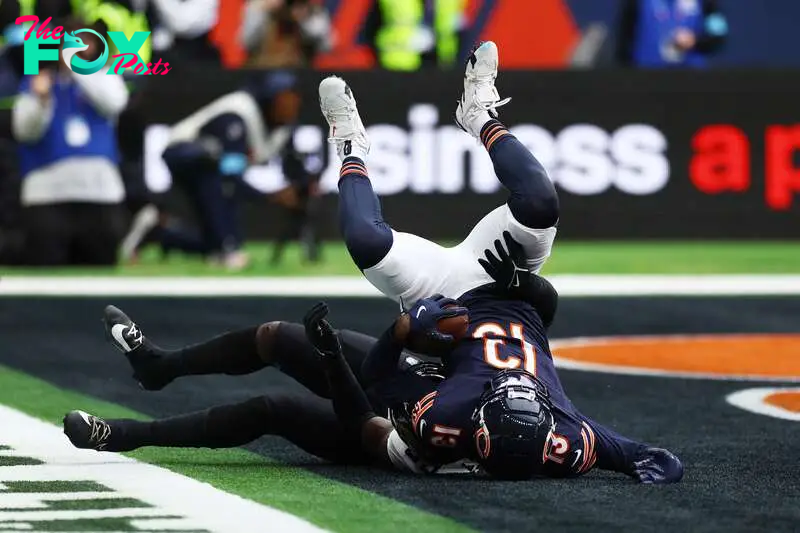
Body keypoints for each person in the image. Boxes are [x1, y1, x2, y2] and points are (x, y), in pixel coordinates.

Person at [62, 239, 680, 482]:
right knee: (275, 335)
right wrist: (646, 461)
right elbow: (628, 452)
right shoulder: (563, 436)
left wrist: (401, 329)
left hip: (388, 415)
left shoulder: (441, 428)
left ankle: (123, 436)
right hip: (443, 378)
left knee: (273, 407)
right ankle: (160, 366)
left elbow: (371, 397)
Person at [154, 70, 301, 270]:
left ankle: (165, 234)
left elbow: (292, 167)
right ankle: (224, 248)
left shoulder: (282, 127)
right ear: (270, 99)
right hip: (183, 153)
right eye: (285, 98)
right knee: (214, 173)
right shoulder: (236, 115)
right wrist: (269, 197)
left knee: (218, 239)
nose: (293, 105)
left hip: (215, 168)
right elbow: (230, 174)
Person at [11, 16, 128, 266]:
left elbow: (115, 102)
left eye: (85, 41)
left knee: (99, 268)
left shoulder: (105, 76)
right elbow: (24, 131)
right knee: (46, 267)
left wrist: (78, 68)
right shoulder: (37, 81)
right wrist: (41, 100)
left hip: (99, 193)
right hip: (48, 193)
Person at [616, 0, 728, 68]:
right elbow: (623, 42)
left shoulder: (706, 2)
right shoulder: (635, 2)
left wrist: (695, 41)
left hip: (691, 81)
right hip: (646, 79)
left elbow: (718, 35)